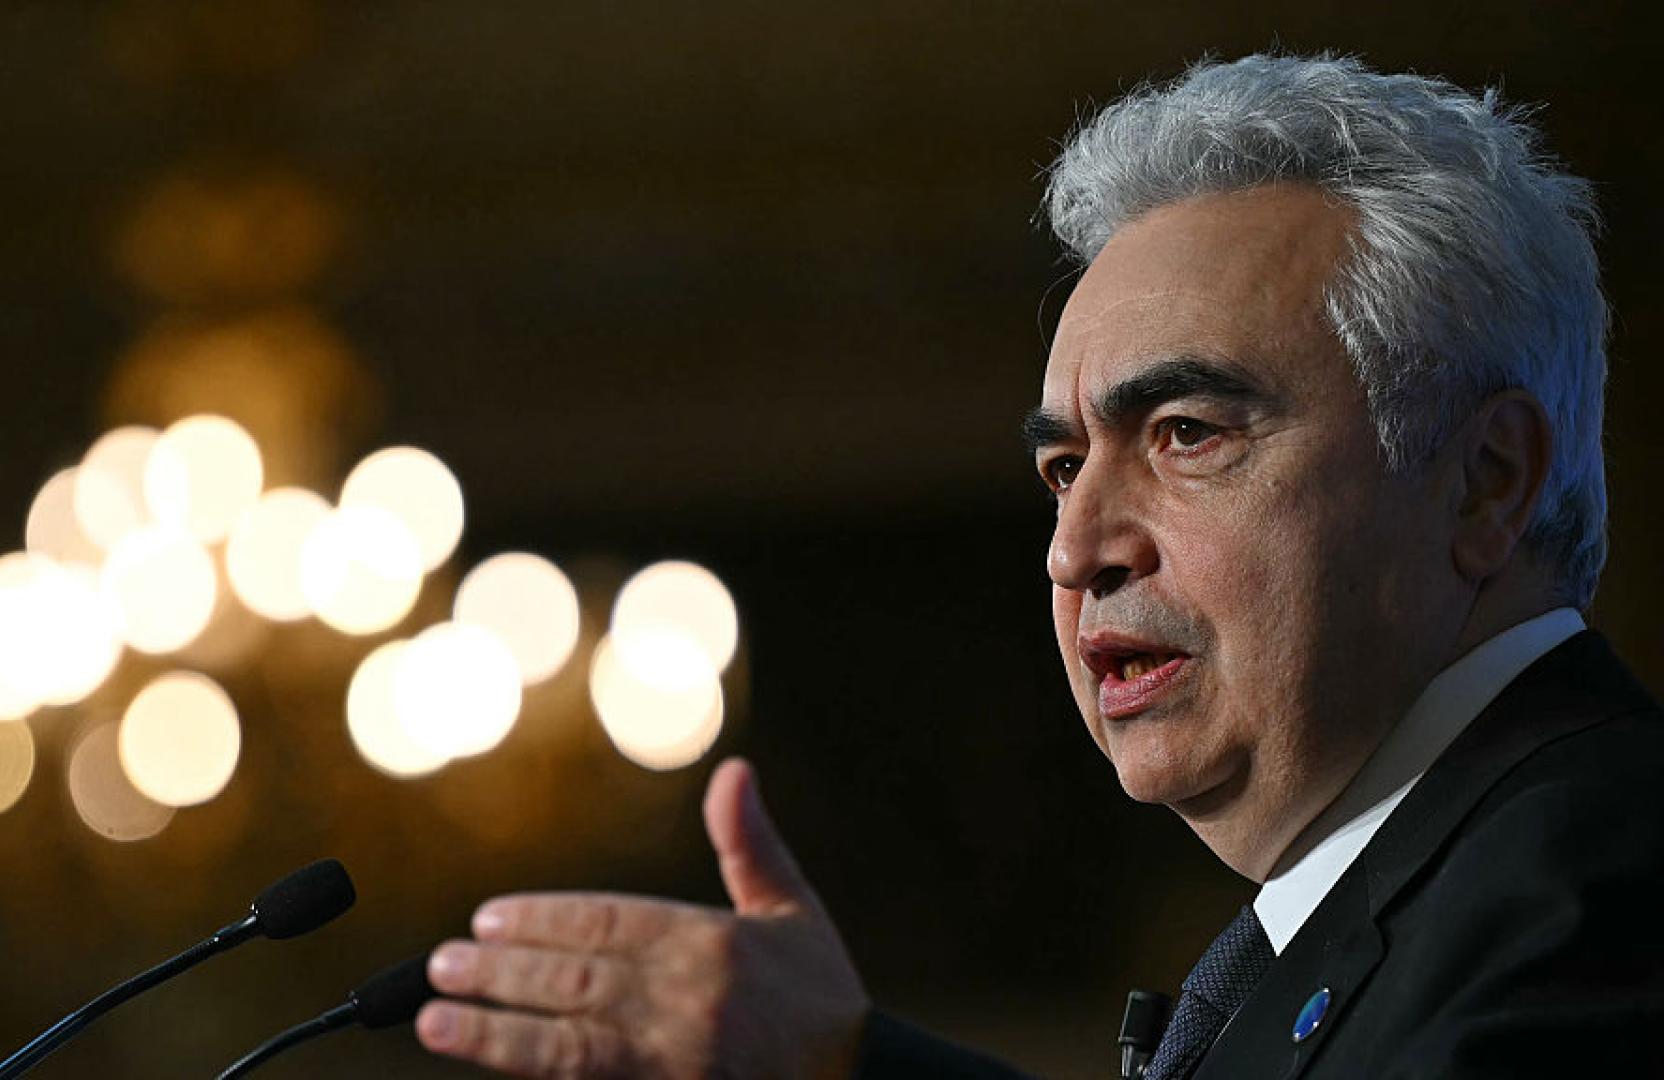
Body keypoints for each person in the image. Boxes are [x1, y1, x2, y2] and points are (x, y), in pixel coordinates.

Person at [407, 53, 1664, 1078]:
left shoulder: (1602, 889)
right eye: (1064, 467)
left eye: (1186, 434)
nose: (1074, 550)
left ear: (1483, 479)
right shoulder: (1420, 896)